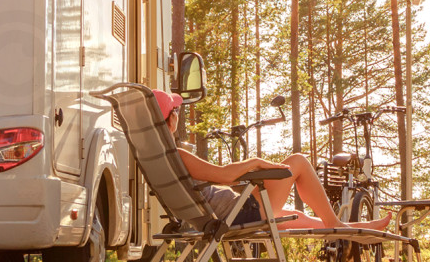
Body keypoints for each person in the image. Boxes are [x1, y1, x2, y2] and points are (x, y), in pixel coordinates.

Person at [152, 90, 392, 230]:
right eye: (176, 111)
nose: (178, 115)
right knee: (298, 161)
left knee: (295, 216)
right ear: (171, 119)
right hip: (238, 214)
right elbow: (225, 175)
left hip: (226, 214)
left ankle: (350, 228)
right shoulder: (177, 155)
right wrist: (256, 162)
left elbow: (222, 177)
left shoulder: (161, 158)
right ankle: (336, 225)